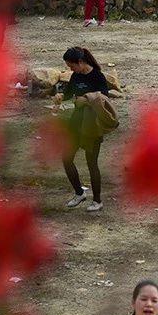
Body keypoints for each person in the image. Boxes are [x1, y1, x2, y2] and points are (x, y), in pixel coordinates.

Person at [53, 46, 112, 212]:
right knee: (66, 158)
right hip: (76, 123)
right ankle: (79, 193)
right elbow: (69, 93)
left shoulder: (97, 76)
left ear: (80, 62)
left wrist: (86, 100)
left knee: (91, 163)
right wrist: (60, 96)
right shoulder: (76, 75)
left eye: (72, 66)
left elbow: (104, 98)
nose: (70, 69)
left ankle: (98, 200)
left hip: (92, 124)